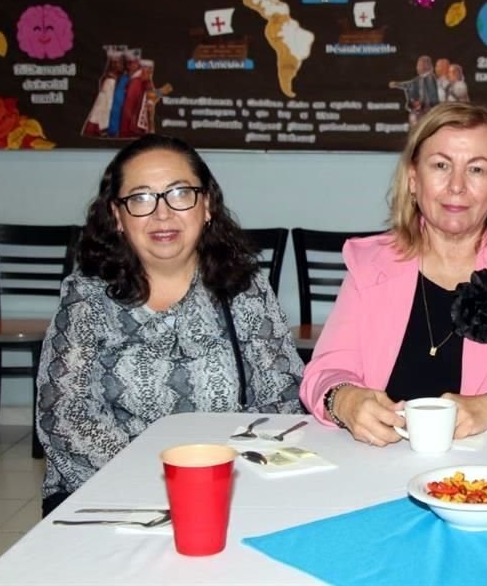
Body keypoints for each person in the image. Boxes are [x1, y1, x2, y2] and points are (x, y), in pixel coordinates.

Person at [36, 134, 304, 515]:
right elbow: (65, 415)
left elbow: (285, 397)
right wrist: (164, 481)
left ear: (206, 204)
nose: (163, 214)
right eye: (141, 198)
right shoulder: (88, 296)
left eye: (179, 193)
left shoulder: (245, 289)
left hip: (229, 488)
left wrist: (223, 476)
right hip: (109, 493)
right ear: (117, 216)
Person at [300, 102, 487, 446]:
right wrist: (346, 401)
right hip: (378, 464)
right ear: (413, 179)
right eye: (441, 165)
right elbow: (322, 373)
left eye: (476, 170)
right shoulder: (370, 262)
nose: (457, 186)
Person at [389, 55, 440, 126]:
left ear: (426, 65)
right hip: (422, 111)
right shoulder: (420, 78)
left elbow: (432, 96)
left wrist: (424, 107)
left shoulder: (429, 78)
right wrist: (397, 84)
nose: (417, 67)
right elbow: (410, 84)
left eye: (419, 65)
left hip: (427, 112)